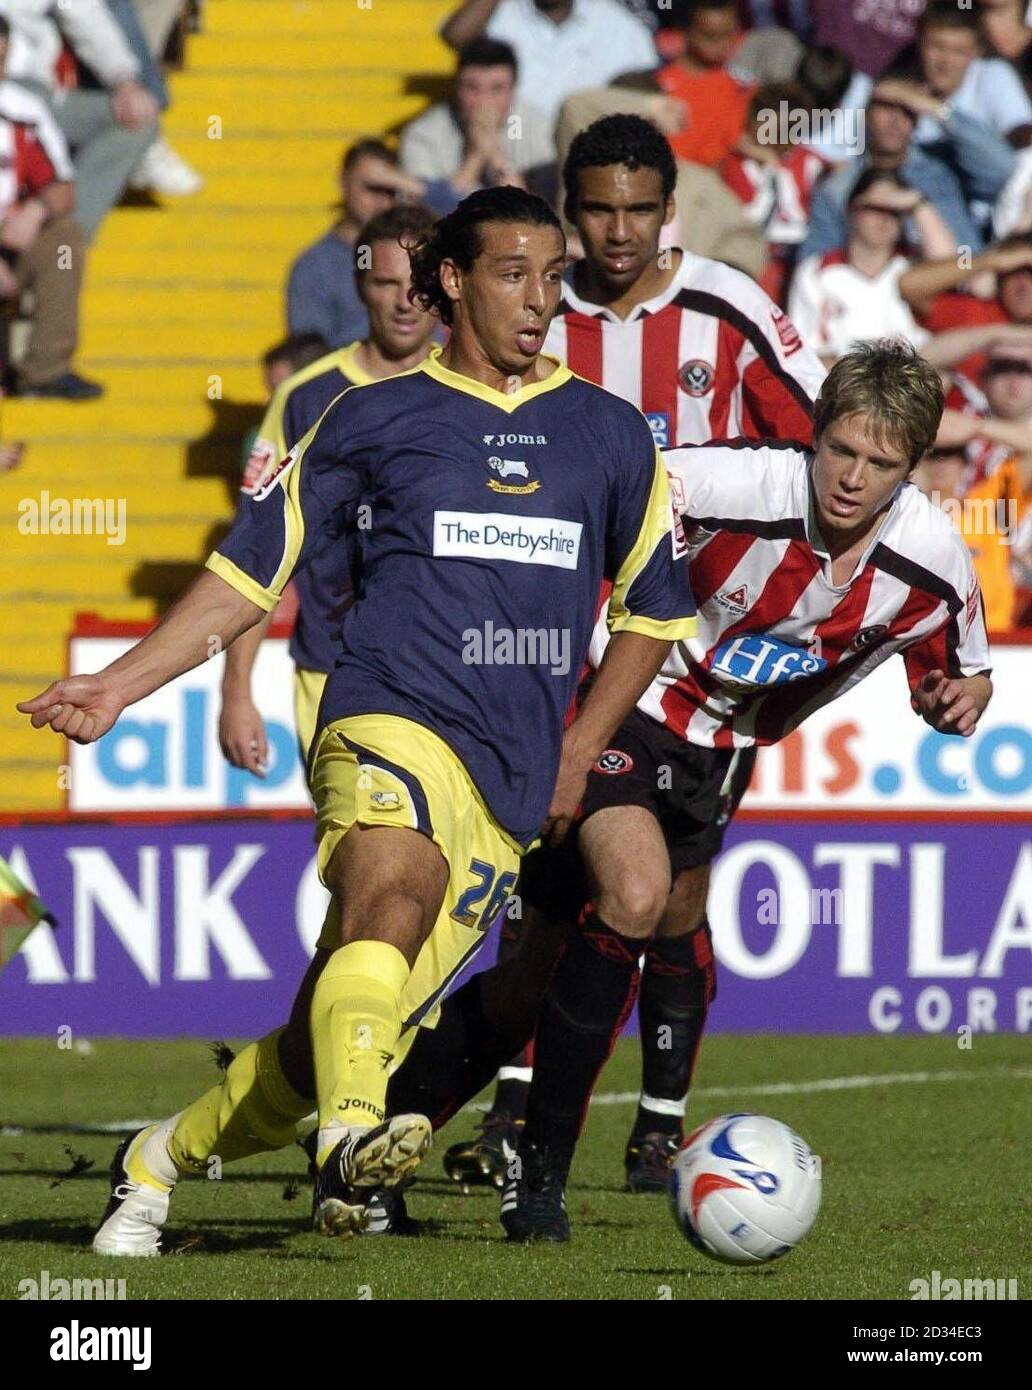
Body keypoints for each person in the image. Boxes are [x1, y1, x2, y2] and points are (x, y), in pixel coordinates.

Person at [21, 186, 696, 1254]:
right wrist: (120, 682)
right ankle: (351, 1138)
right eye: (513, 274)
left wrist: (579, 744)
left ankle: (156, 1159)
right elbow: (252, 570)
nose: (539, 298)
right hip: (385, 712)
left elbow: (656, 611)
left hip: (513, 776)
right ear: (452, 284)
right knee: (395, 885)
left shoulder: (608, 435)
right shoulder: (368, 417)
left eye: (553, 276)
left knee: (315, 1042)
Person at [499, 340, 993, 1241]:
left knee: (663, 914)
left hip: (724, 746)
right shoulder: (732, 482)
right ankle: (539, 1168)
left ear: (912, 469)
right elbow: (616, 480)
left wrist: (957, 698)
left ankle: (645, 1125)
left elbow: (963, 666)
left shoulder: (934, 558)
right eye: (840, 449)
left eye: (881, 464)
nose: (851, 477)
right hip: (627, 703)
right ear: (815, 435)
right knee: (636, 895)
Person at [443, 113, 824, 1196]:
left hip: (697, 655)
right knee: (547, 885)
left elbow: (814, 455)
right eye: (597, 209)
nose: (617, 232)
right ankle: (515, 1114)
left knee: (676, 903)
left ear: (670, 210)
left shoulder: (730, 309)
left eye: (639, 209)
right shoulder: (533, 306)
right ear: (570, 204)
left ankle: (658, 1124)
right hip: (554, 645)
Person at [221, 203, 439, 774]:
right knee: (357, 857)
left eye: (417, 285)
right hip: (333, 673)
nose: (403, 302)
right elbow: (259, 548)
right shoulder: (304, 398)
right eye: (385, 283)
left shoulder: (480, 388)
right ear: (359, 285)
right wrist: (236, 691)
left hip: (454, 675)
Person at [0, 17, 101, 399]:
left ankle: (45, 367)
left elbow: (63, 188)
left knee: (64, 242)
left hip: (11, 237)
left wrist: (36, 209)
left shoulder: (21, 109)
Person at [800, 79, 1007, 263]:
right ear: (864, 115)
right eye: (887, 108)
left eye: (907, 111)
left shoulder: (945, 166)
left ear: (917, 120)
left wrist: (938, 109)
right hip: (879, 296)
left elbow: (1004, 170)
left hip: (961, 283)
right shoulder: (838, 186)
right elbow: (814, 265)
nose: (896, 121)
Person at [2, 0, 160, 242]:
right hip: (11, 87)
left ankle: (63, 244)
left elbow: (82, 10)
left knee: (137, 119)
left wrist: (124, 79)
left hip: (34, 88)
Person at [789, 169, 956, 367]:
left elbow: (957, 265)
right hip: (842, 386)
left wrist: (919, 204)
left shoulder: (913, 268)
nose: (885, 218)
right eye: (876, 207)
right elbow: (804, 356)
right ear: (851, 209)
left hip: (911, 385)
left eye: (896, 211)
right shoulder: (816, 271)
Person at [439, 0, 659, 125]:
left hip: (588, 158)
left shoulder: (621, 26)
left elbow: (644, 99)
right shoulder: (501, 12)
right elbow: (455, 36)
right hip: (510, 148)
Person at [399, 39, 554, 195]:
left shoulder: (538, 126)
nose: (484, 101)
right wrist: (475, 156)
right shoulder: (423, 134)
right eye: (472, 88)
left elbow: (535, 210)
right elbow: (429, 211)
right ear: (456, 88)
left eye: (497, 89)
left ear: (513, 90)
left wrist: (497, 157)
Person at [654, 0, 755, 168]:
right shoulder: (659, 86)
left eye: (729, 34)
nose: (723, 44)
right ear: (685, 29)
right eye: (711, 36)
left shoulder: (744, 88)